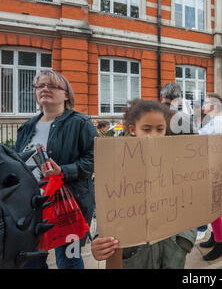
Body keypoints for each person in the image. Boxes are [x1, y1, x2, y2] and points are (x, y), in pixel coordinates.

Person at [90, 99, 197, 269]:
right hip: (134, 256)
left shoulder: (176, 163)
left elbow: (191, 201)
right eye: (146, 129)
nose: (153, 134)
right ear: (133, 129)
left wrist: (185, 240)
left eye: (159, 129)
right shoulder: (115, 165)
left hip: (171, 254)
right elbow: (106, 209)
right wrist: (99, 241)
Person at [15, 70, 98, 269]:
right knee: (31, 261)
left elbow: (96, 158)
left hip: (69, 204)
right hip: (32, 206)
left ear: (66, 94)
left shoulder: (80, 123)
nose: (45, 89)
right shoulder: (27, 127)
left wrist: (64, 171)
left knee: (68, 260)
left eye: (52, 86)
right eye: (40, 86)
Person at [198, 93, 222, 261]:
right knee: (214, 208)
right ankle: (216, 236)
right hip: (215, 170)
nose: (203, 105)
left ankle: (220, 244)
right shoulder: (219, 121)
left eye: (206, 103)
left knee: (214, 208)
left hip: (214, 171)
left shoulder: (217, 123)